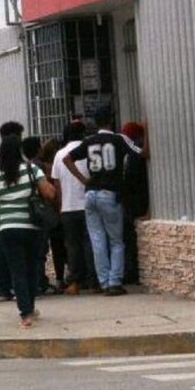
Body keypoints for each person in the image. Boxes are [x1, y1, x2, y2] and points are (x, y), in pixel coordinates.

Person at [62, 107, 148, 296]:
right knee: (116, 241)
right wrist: (147, 130)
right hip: (110, 193)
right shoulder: (119, 139)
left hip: (90, 194)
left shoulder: (89, 141)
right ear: (111, 120)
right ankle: (114, 282)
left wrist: (84, 180)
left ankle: (103, 281)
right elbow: (142, 153)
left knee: (97, 240)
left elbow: (67, 159)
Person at [0, 135, 57, 328]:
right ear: (20, 151)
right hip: (32, 228)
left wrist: (2, 198)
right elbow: (49, 193)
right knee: (31, 269)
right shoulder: (31, 170)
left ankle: (26, 314)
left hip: (7, 230)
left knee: (17, 272)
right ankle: (29, 307)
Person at [52, 121, 96, 295]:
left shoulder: (59, 155)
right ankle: (94, 282)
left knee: (72, 246)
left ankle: (76, 282)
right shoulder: (89, 151)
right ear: (83, 134)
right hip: (88, 204)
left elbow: (57, 184)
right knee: (91, 243)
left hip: (68, 207)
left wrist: (60, 207)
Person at [0, 121, 25, 302]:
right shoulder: (22, 164)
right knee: (17, 255)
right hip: (13, 209)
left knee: (1, 251)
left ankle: (1, 287)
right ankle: (15, 288)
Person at [24, 135, 62, 295]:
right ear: (38, 150)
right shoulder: (39, 168)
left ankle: (38, 281)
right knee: (41, 250)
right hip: (42, 212)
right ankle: (40, 282)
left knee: (35, 250)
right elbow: (50, 191)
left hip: (31, 213)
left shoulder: (25, 167)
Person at [120, 121, 149, 286]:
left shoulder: (127, 151)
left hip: (128, 201)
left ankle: (130, 272)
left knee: (127, 239)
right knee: (129, 239)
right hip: (135, 201)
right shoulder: (132, 152)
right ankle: (132, 272)